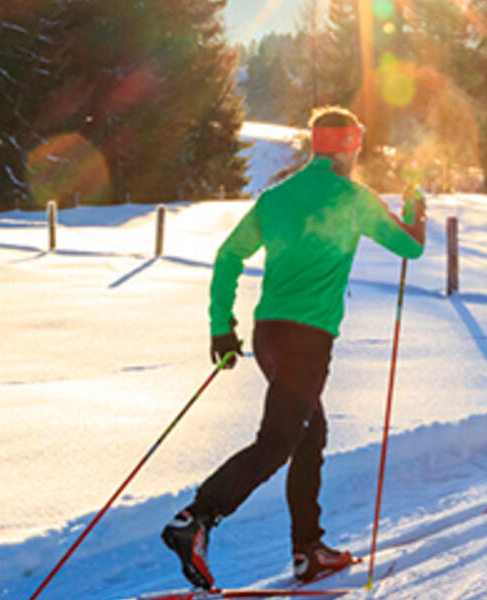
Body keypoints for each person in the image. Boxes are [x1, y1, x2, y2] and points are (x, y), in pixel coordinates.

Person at [162, 106, 426, 589]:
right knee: (279, 441)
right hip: (308, 340)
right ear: (350, 146)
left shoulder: (276, 197)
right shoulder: (353, 198)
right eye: (358, 142)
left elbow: (228, 256)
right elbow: (410, 247)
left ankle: (309, 551)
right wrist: (415, 212)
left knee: (310, 434)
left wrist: (222, 328)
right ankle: (195, 519)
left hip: (269, 336)